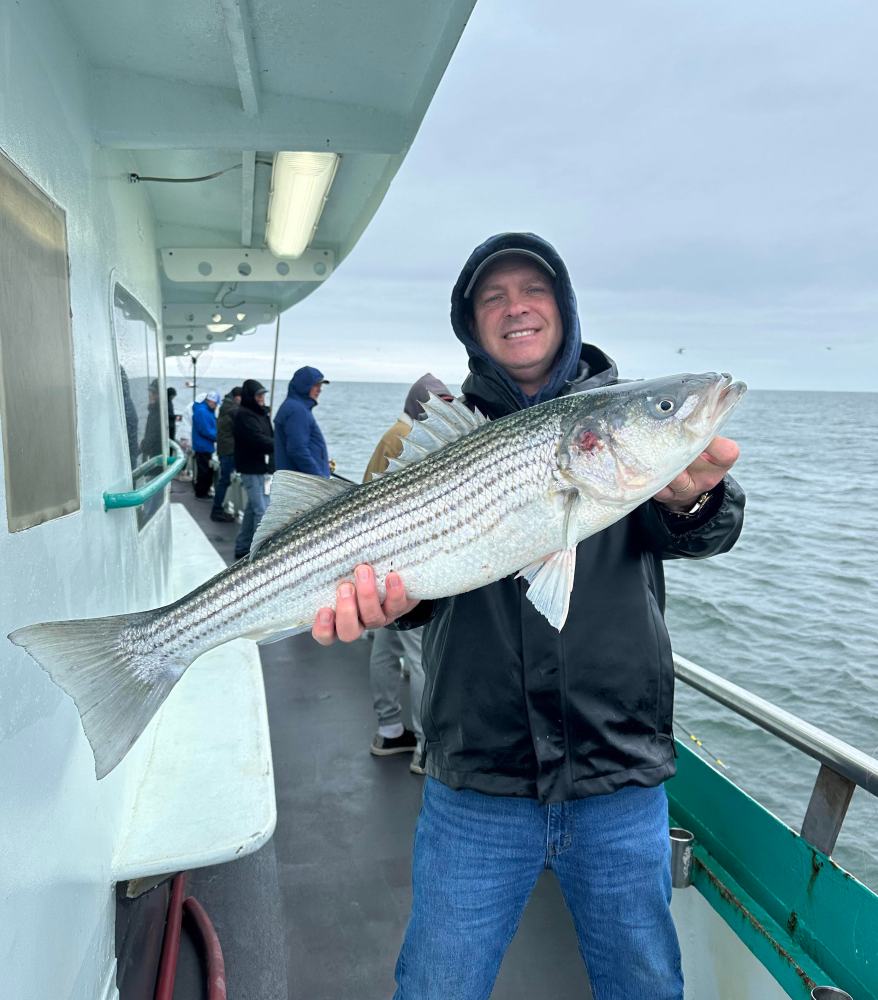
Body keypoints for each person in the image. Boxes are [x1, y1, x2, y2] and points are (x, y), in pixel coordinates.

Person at [311, 233, 745, 1000]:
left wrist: (696, 496)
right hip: (477, 775)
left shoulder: (621, 431)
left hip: (618, 773)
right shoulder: (438, 434)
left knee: (645, 986)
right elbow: (423, 593)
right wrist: (397, 607)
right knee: (436, 986)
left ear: (565, 306)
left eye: (533, 291)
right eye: (493, 297)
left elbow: (703, 530)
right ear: (472, 323)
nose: (516, 308)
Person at [363, 374, 455, 775]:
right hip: (410, 564)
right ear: (424, 404)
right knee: (421, 659)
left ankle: (388, 729)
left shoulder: (391, 433)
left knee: (384, 651)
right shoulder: (410, 436)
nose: (449, 409)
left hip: (379, 563)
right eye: (441, 401)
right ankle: (423, 746)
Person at [233, 379, 275, 560]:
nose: (261, 398)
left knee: (251, 510)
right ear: (250, 396)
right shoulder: (244, 415)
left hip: (260, 468)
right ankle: (261, 554)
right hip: (250, 468)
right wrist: (280, 445)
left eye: (263, 395)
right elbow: (256, 439)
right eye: (258, 395)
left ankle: (242, 546)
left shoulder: (260, 414)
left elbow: (268, 436)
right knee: (261, 511)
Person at [273, 366, 331, 476]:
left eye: (320, 386)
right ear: (304, 386)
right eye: (316, 385)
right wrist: (319, 479)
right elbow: (297, 450)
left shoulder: (294, 407)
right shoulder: (297, 410)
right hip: (303, 486)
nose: (319, 390)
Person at [211, 386, 243, 523]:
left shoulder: (226, 406)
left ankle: (218, 508)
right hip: (229, 451)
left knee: (224, 480)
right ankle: (217, 510)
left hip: (225, 450)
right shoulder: (232, 409)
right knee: (224, 481)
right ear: (237, 397)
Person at [191, 389, 221, 499]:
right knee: (204, 471)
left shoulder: (203, 410)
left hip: (204, 445)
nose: (216, 406)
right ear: (211, 402)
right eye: (216, 404)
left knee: (205, 470)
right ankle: (201, 493)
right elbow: (205, 430)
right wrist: (218, 438)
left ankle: (203, 491)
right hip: (203, 446)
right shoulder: (203, 412)